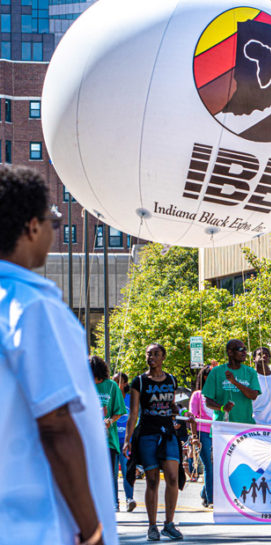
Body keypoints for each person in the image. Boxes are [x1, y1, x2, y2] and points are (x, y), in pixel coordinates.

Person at [0, 166, 116, 544]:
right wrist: (92, 528)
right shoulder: (32, 306)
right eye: (53, 220)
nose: (54, 230)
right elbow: (56, 425)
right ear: (32, 227)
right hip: (35, 524)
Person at [123, 343, 185, 541]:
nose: (152, 357)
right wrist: (127, 440)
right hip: (148, 433)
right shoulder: (139, 382)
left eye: (156, 354)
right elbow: (133, 414)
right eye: (149, 353)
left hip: (168, 433)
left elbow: (172, 406)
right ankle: (152, 526)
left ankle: (169, 523)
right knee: (152, 480)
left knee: (173, 478)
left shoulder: (172, 380)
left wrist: (181, 413)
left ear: (163, 357)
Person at [90, 356, 127, 511]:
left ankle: (110, 504)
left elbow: (119, 411)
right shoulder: (83, 385)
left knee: (108, 475)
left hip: (108, 440)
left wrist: (109, 421)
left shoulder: (111, 386)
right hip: (88, 441)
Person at [203, 339, 261, 424]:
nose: (244, 352)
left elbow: (253, 396)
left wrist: (235, 382)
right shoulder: (216, 372)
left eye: (245, 349)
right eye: (241, 349)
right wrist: (223, 408)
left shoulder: (250, 372)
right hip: (222, 426)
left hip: (245, 426)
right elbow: (208, 402)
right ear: (230, 352)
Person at [190, 365, 214, 507]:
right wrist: (194, 436)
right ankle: (211, 499)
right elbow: (192, 417)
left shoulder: (219, 394)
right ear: (205, 377)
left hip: (217, 433)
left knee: (216, 466)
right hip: (202, 433)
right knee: (208, 466)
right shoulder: (197, 395)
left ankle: (204, 493)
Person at [113, 371, 137, 511]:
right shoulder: (110, 398)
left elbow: (135, 418)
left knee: (128, 470)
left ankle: (129, 498)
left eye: (118, 381)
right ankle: (114, 503)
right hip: (112, 440)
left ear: (125, 384)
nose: (115, 384)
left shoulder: (130, 399)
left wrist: (132, 438)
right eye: (114, 381)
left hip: (126, 441)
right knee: (113, 473)